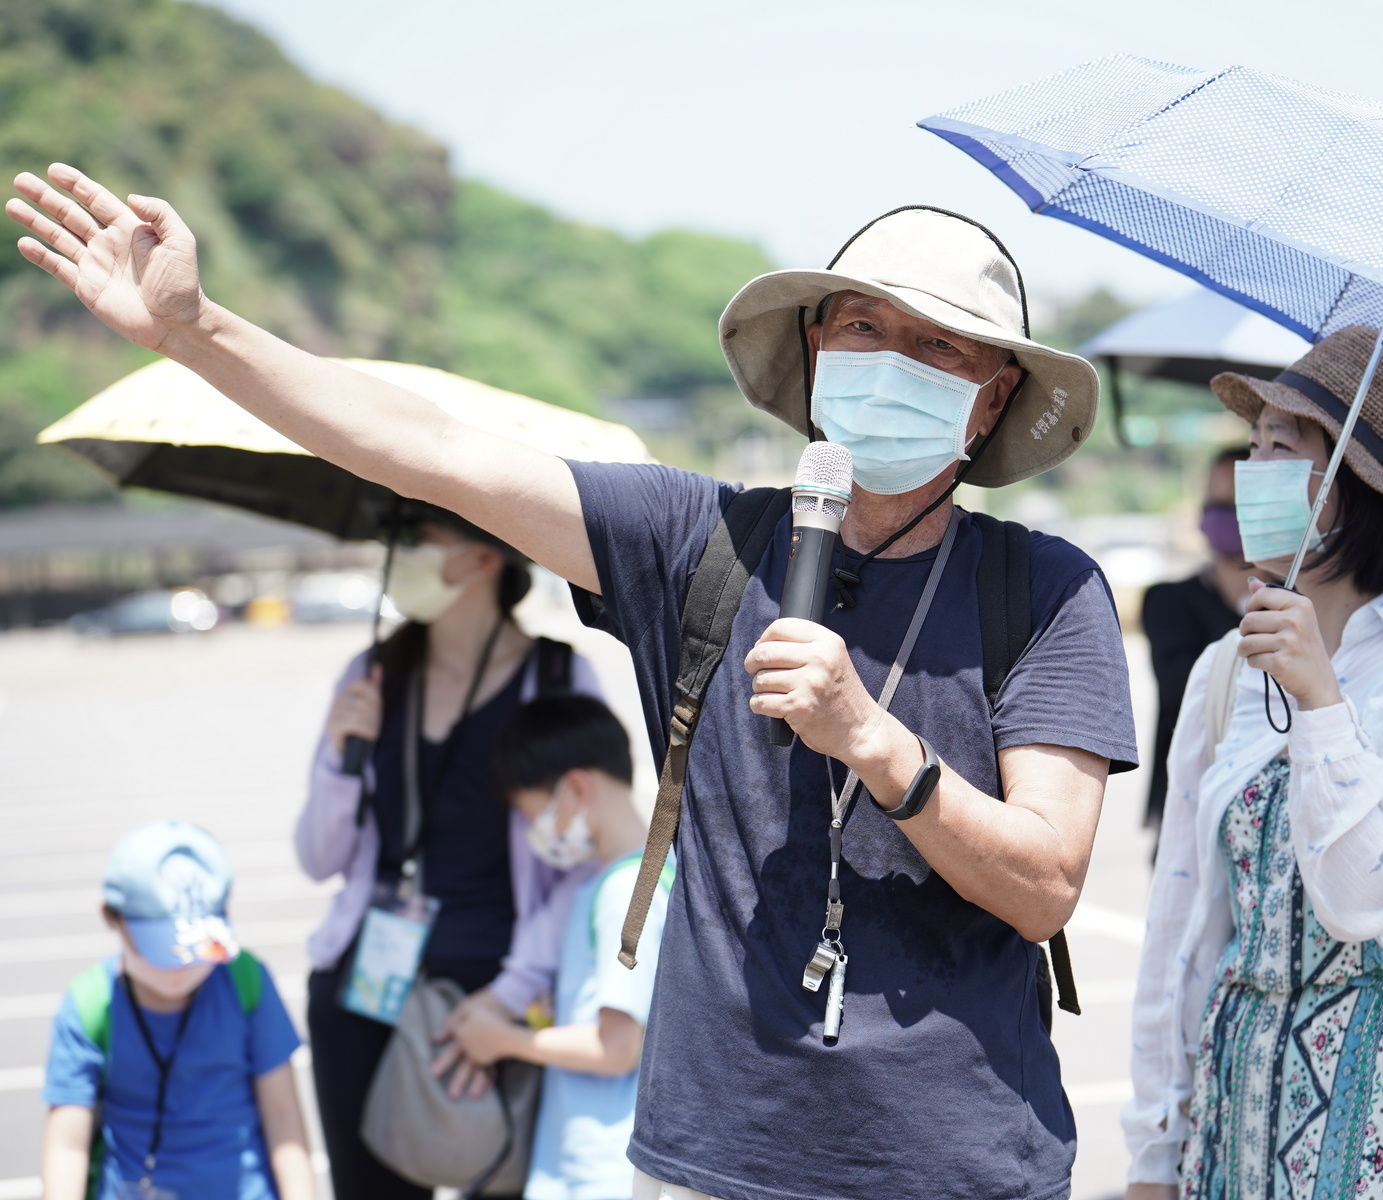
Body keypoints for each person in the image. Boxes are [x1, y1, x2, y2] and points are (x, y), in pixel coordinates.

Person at [9, 175, 1137, 1200]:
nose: (891, 359)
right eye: (864, 325)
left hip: (958, 1164)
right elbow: (431, 448)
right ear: (813, 347)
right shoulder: (698, 540)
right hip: (710, 1157)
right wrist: (195, 329)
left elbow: (1043, 887)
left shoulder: (1040, 590)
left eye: (941, 348)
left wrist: (875, 742)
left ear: (990, 402)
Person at [1123, 327, 1383, 1198]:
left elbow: (1364, 895)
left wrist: (1322, 706)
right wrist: (1153, 1154)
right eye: (1255, 445)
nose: (1256, 470)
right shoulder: (1224, 669)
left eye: (1287, 446)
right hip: (1233, 1122)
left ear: (1360, 486)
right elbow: (1179, 935)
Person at [295, 507, 606, 1200]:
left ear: (485, 556)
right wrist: (341, 763)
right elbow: (318, 858)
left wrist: (507, 999)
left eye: (418, 539)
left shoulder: (557, 683)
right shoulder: (373, 673)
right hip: (367, 985)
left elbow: (584, 867)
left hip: (504, 993)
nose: (398, 554)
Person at [446, 692, 670, 1200]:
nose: (535, 834)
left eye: (533, 815)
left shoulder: (625, 893)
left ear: (574, 787)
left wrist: (501, 1039)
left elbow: (616, 1049)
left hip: (601, 1170)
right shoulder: (619, 881)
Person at [40, 821, 313, 1200]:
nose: (181, 968)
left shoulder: (246, 981)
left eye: (195, 948)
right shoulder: (89, 1005)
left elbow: (283, 1115)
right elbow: (68, 1143)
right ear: (110, 917)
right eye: (163, 949)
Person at [1140, 446, 1255, 842]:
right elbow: (1180, 684)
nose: (1223, 513)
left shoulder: (1291, 604)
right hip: (1186, 806)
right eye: (1215, 502)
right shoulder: (1168, 600)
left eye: (1236, 504)